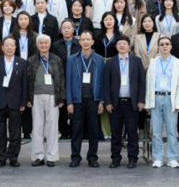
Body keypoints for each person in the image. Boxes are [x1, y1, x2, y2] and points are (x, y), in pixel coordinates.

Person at [103, 35, 146, 169]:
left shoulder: (136, 61)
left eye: (124, 44)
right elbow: (106, 84)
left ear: (129, 46)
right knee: (115, 133)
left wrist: (141, 100)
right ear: (116, 47)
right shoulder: (110, 62)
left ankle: (133, 159)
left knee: (132, 132)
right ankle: (115, 159)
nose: (122, 46)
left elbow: (142, 82)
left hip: (132, 103)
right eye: (119, 44)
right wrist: (108, 102)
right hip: (115, 103)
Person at [65, 30, 105, 168]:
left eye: (88, 39)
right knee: (76, 130)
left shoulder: (99, 59)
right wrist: (69, 101)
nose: (86, 42)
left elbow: (103, 81)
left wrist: (101, 101)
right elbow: (68, 82)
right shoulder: (72, 59)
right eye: (83, 39)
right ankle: (75, 157)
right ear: (79, 42)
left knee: (94, 130)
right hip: (77, 100)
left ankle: (92, 157)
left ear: (92, 42)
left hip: (94, 100)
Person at [145, 36, 179, 169]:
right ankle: (157, 158)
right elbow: (149, 83)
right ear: (158, 47)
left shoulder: (178, 63)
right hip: (156, 97)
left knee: (171, 131)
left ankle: (172, 158)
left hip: (170, 98)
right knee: (156, 131)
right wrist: (148, 102)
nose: (164, 46)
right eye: (161, 44)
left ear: (171, 46)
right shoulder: (153, 62)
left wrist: (178, 103)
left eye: (167, 44)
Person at [0, 36, 28, 167]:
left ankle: (13, 157)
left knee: (15, 132)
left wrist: (23, 103)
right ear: (2, 48)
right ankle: (1, 157)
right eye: (7, 45)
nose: (9, 48)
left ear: (15, 48)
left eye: (12, 45)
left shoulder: (22, 63)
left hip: (15, 102)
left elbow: (25, 84)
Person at [27, 34, 65, 167]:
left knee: (52, 127)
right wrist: (28, 98)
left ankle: (51, 157)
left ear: (49, 44)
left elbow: (61, 79)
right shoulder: (31, 60)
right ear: (37, 45)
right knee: (37, 127)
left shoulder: (56, 59)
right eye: (41, 43)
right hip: (36, 96)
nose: (43, 45)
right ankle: (38, 156)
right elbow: (28, 80)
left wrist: (61, 97)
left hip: (53, 96)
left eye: (46, 43)